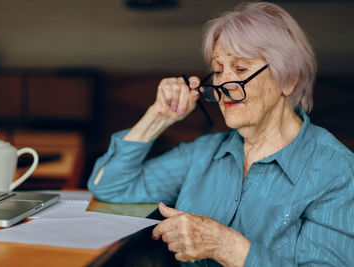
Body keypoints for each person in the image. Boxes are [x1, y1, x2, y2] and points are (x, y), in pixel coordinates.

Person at [88, 2, 354, 266]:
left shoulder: (336, 170)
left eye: (240, 69)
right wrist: (157, 118)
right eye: (217, 71)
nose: (223, 84)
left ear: (288, 79)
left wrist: (225, 245)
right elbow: (110, 185)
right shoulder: (204, 154)